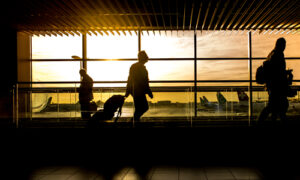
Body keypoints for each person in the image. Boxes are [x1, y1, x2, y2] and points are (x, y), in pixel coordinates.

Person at [258, 38, 292, 125]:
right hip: (277, 86)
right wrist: (286, 73)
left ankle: (263, 122)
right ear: (281, 45)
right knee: (277, 107)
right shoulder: (278, 54)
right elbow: (278, 71)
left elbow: (274, 71)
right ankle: (260, 122)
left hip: (272, 85)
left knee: (274, 107)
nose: (284, 47)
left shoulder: (271, 54)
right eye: (284, 45)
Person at [125, 50, 153, 122]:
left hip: (135, 90)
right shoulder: (141, 68)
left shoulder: (134, 66)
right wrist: (149, 92)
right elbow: (144, 82)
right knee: (144, 107)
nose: (147, 58)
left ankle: (134, 121)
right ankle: (134, 121)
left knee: (139, 108)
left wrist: (127, 91)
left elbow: (130, 79)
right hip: (139, 91)